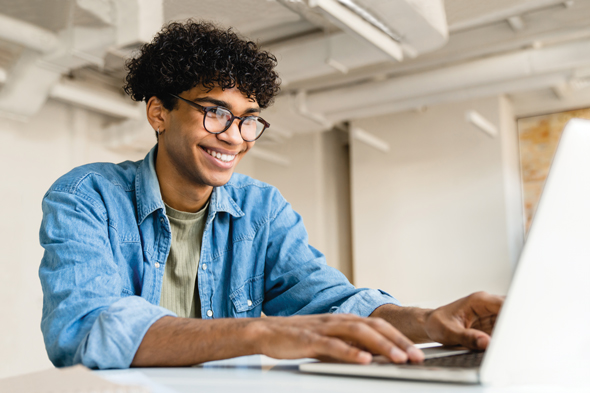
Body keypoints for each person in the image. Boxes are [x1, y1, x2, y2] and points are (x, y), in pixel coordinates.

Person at [39, 20, 503, 369]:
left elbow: (329, 302)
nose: (235, 136)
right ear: (159, 113)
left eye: (248, 119)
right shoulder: (87, 196)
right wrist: (262, 332)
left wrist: (429, 320)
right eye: (215, 112)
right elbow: (87, 330)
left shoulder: (261, 208)